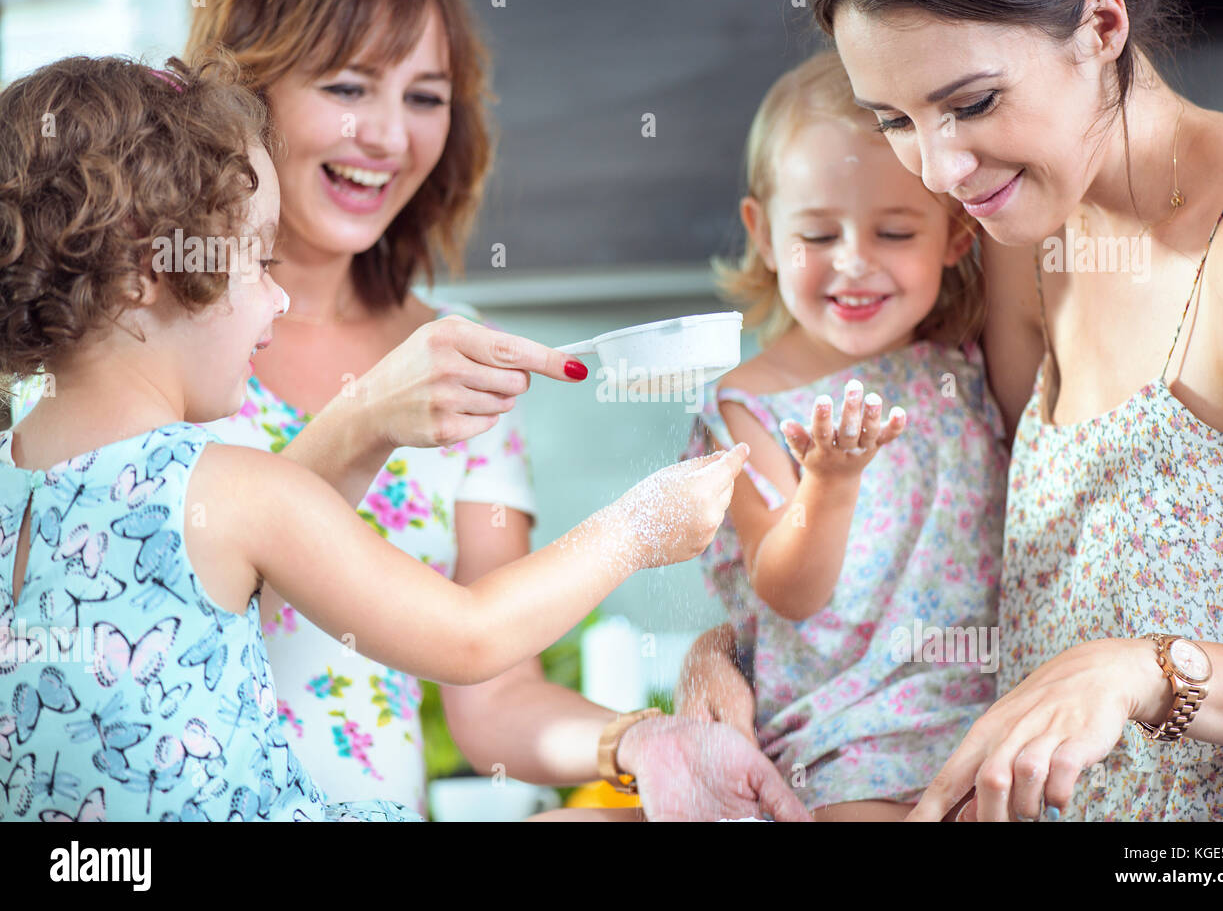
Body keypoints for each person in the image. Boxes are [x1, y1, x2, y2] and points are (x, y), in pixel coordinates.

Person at [0, 53, 749, 821]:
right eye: (258, 261)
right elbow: (470, 637)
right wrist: (642, 524)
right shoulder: (234, 487)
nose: (278, 295)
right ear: (143, 268)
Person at [170, 0, 809, 822]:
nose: (392, 137)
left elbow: (493, 693)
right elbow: (157, 599)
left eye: (426, 97)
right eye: (349, 87)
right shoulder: (154, 328)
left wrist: (639, 740)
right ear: (247, 89)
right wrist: (365, 417)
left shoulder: (455, 352)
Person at [686, 0, 1223, 822]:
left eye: (972, 103)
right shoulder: (1021, 226)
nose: (937, 170)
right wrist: (726, 651)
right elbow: (933, 542)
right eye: (894, 118)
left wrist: (1142, 670)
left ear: (1103, 25)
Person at [677, 51, 1006, 821]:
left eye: (895, 231)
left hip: (994, 714)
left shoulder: (963, 359)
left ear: (955, 235)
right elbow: (786, 589)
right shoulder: (746, 405)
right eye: (818, 234)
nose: (854, 263)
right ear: (763, 233)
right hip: (846, 736)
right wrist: (829, 484)